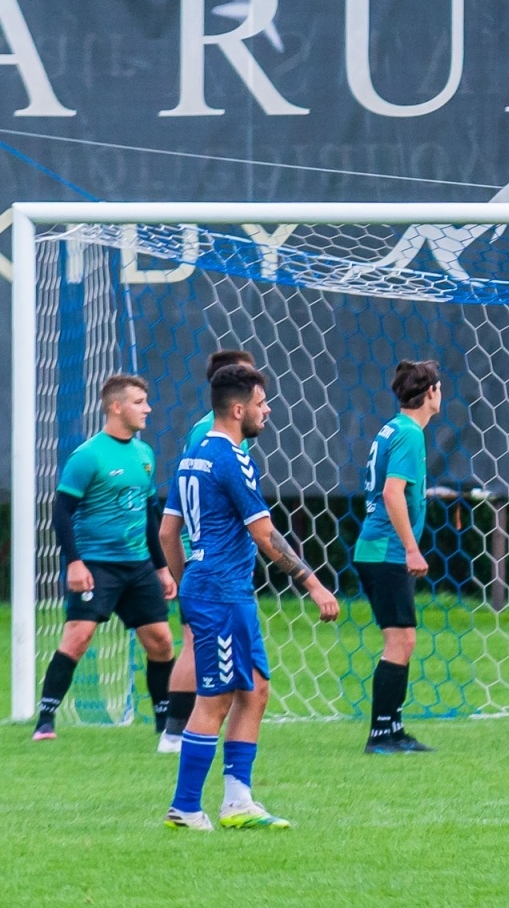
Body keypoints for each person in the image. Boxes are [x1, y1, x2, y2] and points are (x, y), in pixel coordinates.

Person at [159, 364, 341, 830]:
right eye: (262, 404)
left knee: (256, 689)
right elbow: (265, 534)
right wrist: (314, 583)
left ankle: (238, 802)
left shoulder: (192, 455)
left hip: (218, 590)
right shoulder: (232, 459)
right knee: (216, 699)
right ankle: (184, 807)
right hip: (221, 592)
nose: (268, 410)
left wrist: (188, 582)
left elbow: (167, 532)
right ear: (238, 410)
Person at [33, 376, 176, 743]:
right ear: (116, 407)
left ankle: (166, 726)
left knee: (161, 641)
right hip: (96, 564)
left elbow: (149, 516)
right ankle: (45, 721)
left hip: (139, 565)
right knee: (78, 637)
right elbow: (62, 512)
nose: (148, 408)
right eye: (140, 402)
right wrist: (74, 563)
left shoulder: (144, 455)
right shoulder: (88, 455)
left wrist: (161, 568)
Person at [159, 349, 257, 753]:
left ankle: (180, 730)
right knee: (193, 639)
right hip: (204, 555)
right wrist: (187, 577)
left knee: (238, 672)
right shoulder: (212, 437)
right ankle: (175, 730)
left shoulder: (214, 432)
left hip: (206, 557)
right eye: (252, 384)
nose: (261, 399)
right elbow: (183, 515)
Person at [354, 360, 442, 754]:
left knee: (403, 640)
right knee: (400, 641)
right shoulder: (409, 434)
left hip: (378, 548)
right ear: (430, 393)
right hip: (386, 550)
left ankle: (393, 730)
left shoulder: (394, 428)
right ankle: (381, 735)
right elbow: (392, 493)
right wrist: (411, 548)